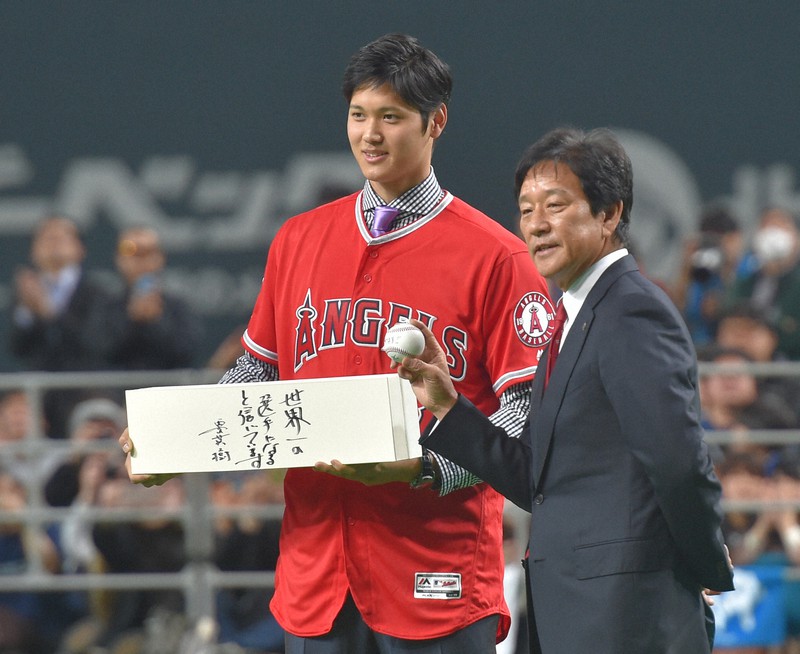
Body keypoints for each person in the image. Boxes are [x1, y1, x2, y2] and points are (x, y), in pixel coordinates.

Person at [120, 33, 550, 653]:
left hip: (435, 576)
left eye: (391, 117)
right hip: (317, 574)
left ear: (437, 122)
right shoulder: (299, 239)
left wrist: (428, 468)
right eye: (358, 115)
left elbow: (522, 414)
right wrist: (177, 439)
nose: (369, 135)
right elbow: (257, 370)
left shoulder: (498, 258)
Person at [396, 127, 735, 653]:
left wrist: (704, 563)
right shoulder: (570, 318)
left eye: (555, 205)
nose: (536, 225)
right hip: (578, 612)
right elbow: (535, 475)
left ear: (609, 214)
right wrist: (448, 405)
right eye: (526, 210)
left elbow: (676, 462)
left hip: (630, 616)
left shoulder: (632, 311)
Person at [8, 215, 114, 436]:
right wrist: (29, 311)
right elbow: (16, 347)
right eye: (46, 237)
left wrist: (48, 312)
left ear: (80, 249)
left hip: (85, 392)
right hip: (39, 395)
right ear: (32, 251)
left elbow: (94, 343)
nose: (53, 242)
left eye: (62, 237)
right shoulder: (25, 293)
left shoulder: (97, 293)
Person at [105, 226, 203, 370]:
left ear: (160, 258)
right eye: (132, 252)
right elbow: (99, 352)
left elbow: (185, 352)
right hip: (116, 390)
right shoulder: (104, 304)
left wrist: (155, 322)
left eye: (149, 252)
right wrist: (133, 321)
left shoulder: (177, 307)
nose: (142, 260)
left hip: (167, 388)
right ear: (118, 259)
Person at [726, 206, 800, 360]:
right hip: (743, 362)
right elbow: (728, 315)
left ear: (796, 238)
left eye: (780, 227)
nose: (772, 234)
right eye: (766, 227)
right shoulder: (744, 279)